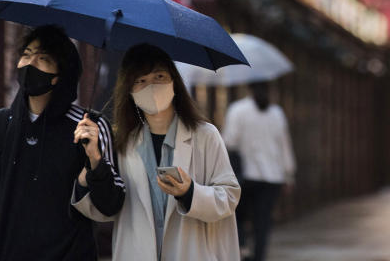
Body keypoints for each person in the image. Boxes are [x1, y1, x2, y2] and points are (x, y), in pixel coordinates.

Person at [0, 25, 125, 260]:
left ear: (59, 75)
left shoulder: (89, 128)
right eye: (27, 55)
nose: (30, 64)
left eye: (43, 59)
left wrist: (95, 159)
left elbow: (111, 206)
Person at [74, 43, 240, 260]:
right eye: (140, 81)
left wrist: (190, 193)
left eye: (159, 77)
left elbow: (228, 196)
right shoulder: (120, 142)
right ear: (130, 91)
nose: (151, 86)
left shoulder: (204, 135)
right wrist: (93, 163)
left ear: (174, 82)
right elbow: (103, 209)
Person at [223, 82, 296, 261]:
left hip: (246, 176)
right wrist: (289, 175)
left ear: (248, 88)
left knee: (238, 217)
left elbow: (230, 141)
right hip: (272, 177)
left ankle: (243, 250)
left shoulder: (238, 110)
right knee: (262, 222)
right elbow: (284, 146)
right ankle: (259, 256)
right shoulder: (277, 113)